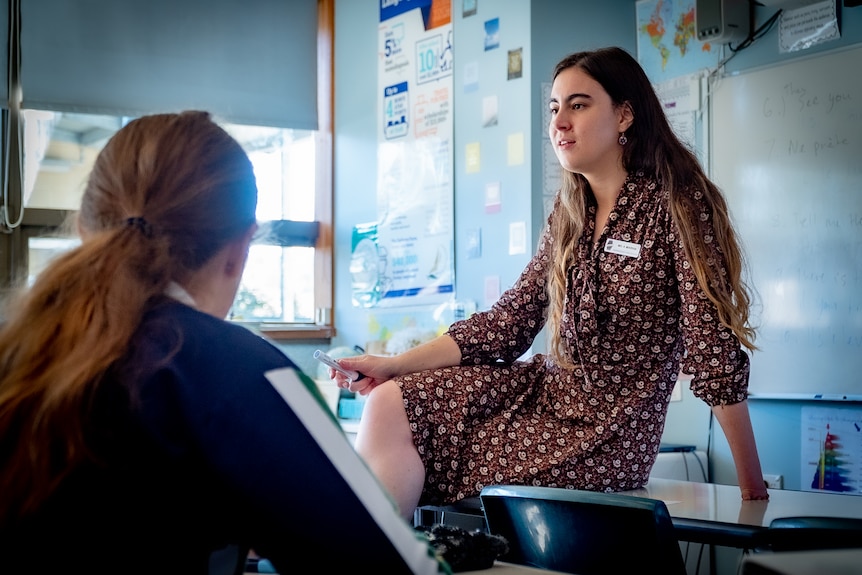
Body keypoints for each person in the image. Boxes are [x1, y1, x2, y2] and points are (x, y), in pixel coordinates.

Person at [332, 47, 770, 522]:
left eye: (578, 105)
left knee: (425, 440)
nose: (560, 122)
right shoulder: (569, 211)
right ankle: (377, 556)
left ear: (625, 115)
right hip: (546, 395)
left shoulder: (677, 205)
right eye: (555, 108)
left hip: (609, 434)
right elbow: (505, 325)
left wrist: (752, 489)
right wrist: (395, 366)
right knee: (389, 401)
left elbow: (713, 351)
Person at [0, 112, 445, 574]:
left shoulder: (18, 352)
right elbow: (396, 565)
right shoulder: (234, 371)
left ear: (84, 231)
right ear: (239, 250)